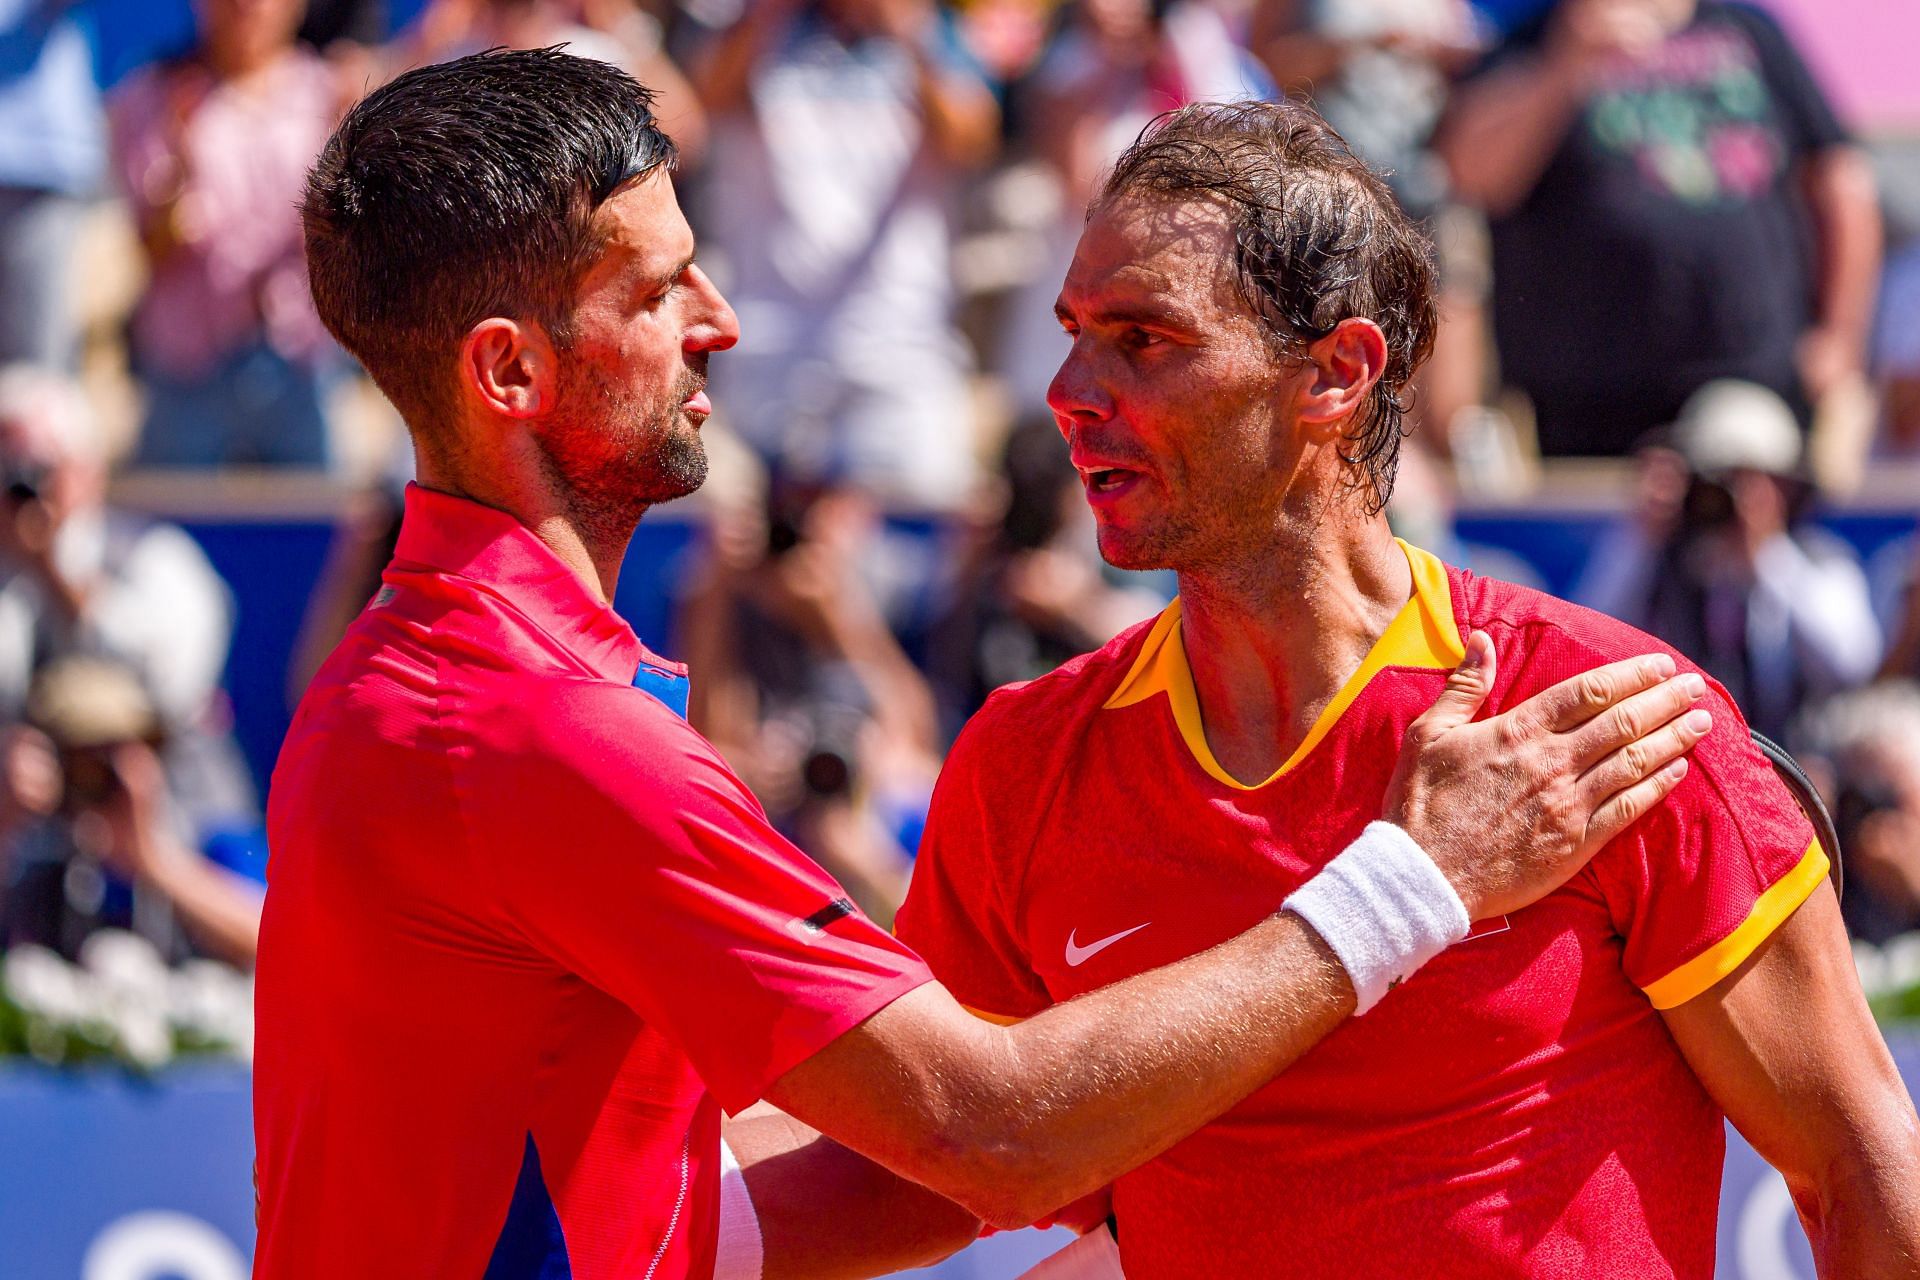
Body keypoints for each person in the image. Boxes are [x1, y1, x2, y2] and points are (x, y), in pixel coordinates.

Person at [257, 51, 1711, 1279]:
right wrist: (1421, 877)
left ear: (1340, 375)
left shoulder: (418, 683)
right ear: (509, 374)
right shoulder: (542, 733)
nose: (723, 320)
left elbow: (745, 1174)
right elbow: (993, 1131)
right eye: (657, 289)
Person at [894, 101, 1920, 1278]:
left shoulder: (1605, 717)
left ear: (1337, 373)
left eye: (1144, 339)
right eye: (1074, 330)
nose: (1068, 388)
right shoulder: (1026, 759)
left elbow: (1862, 1171)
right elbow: (933, 1146)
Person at [1436, 0, 1882, 458]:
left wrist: (1840, 335)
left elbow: (1840, 181)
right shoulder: (1531, 44)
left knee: (1734, 469)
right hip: (1586, 395)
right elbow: (1470, 176)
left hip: (1749, 372)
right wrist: (1565, 68)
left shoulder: (1747, 30)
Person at [688, 0, 999, 507]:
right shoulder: (753, 29)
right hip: (771, 344)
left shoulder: (933, 32)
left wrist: (908, 30)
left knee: (915, 526)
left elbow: (971, 139)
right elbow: (702, 107)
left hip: (899, 340)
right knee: (749, 544)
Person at [1575, 379, 1882, 740]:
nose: (1731, 498)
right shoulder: (1657, 562)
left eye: (1753, 480)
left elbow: (1852, 663)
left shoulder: (1818, 560)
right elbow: (1583, 640)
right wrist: (1641, 536)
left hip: (1794, 767)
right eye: (1718, 480)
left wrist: (1768, 558)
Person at [109, 0, 345, 468]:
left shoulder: (331, 95)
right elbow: (149, 248)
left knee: (309, 531)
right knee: (171, 533)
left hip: (298, 361)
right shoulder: (153, 95)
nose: (245, 6)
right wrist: (177, 172)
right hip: (188, 367)